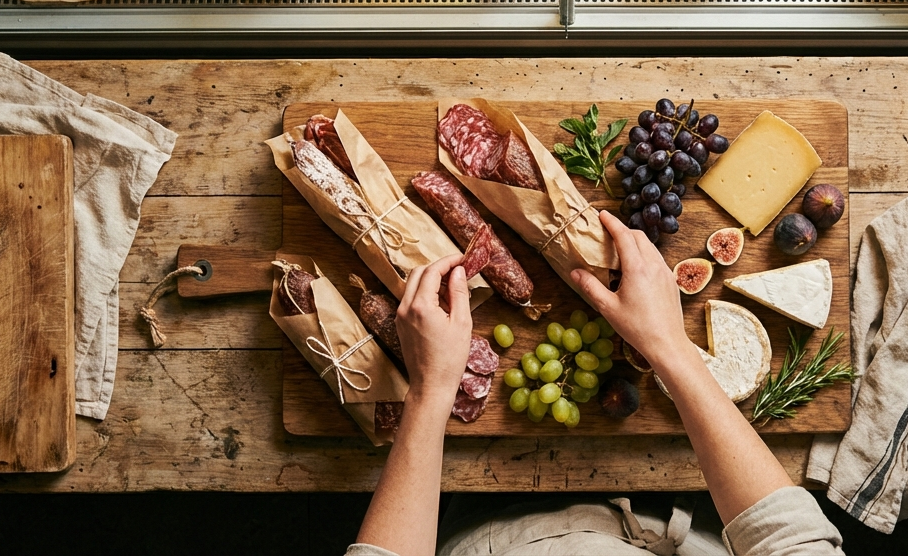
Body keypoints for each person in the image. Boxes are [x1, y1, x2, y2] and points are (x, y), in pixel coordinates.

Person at [346, 211, 844, 556]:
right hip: (674, 533)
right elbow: (794, 542)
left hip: (482, 537)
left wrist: (431, 391)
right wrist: (667, 345)